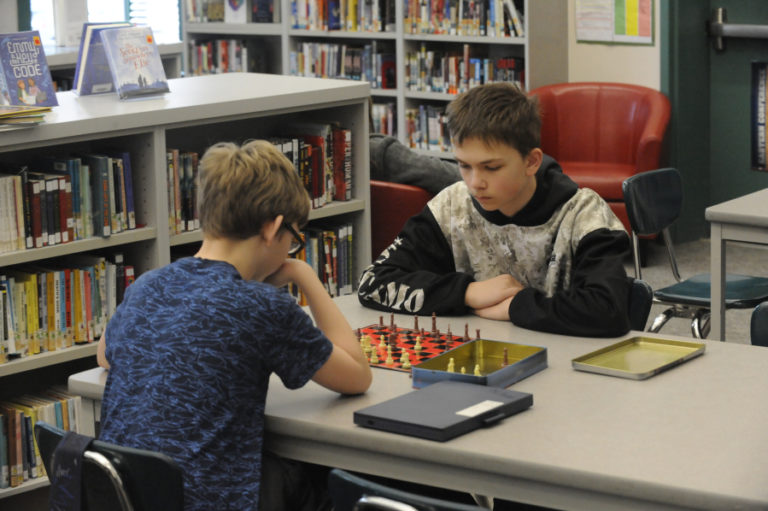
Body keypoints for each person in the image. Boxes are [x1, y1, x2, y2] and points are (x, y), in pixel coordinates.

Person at [97, 140, 372, 510]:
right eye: (294, 239)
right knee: (335, 478)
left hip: (131, 496)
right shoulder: (261, 305)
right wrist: (304, 275)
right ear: (274, 229)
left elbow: (105, 356)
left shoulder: (149, 285)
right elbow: (357, 376)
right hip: (212, 501)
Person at [358, 82, 632, 337]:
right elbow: (372, 283)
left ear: (531, 161)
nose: (475, 183)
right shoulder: (450, 206)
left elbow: (610, 311)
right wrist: (467, 293)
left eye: (491, 167)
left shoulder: (585, 215)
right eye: (464, 166)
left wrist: (516, 306)